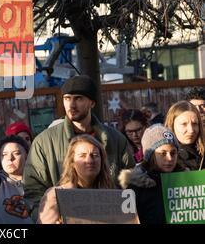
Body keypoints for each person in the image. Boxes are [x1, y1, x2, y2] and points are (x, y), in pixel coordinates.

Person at [24, 75, 135, 221]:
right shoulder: (44, 142)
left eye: (78, 98)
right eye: (67, 98)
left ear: (92, 103)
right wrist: (48, 217)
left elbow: (130, 183)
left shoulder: (115, 139)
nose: (71, 105)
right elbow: (33, 190)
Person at [38, 134, 114, 224]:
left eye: (95, 155)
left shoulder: (113, 195)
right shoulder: (56, 196)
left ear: (102, 161)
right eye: (82, 156)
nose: (89, 160)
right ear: (72, 162)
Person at [119, 125, 183, 224]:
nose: (170, 158)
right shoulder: (135, 189)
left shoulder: (186, 181)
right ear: (151, 156)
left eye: (173, 153)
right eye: (163, 153)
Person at [0, 136, 33, 224]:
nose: (10, 158)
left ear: (26, 155)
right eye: (4, 154)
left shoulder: (39, 182)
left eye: (16, 153)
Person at [165, 101, 204, 171]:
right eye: (184, 124)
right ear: (171, 125)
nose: (191, 130)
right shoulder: (164, 158)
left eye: (194, 123)